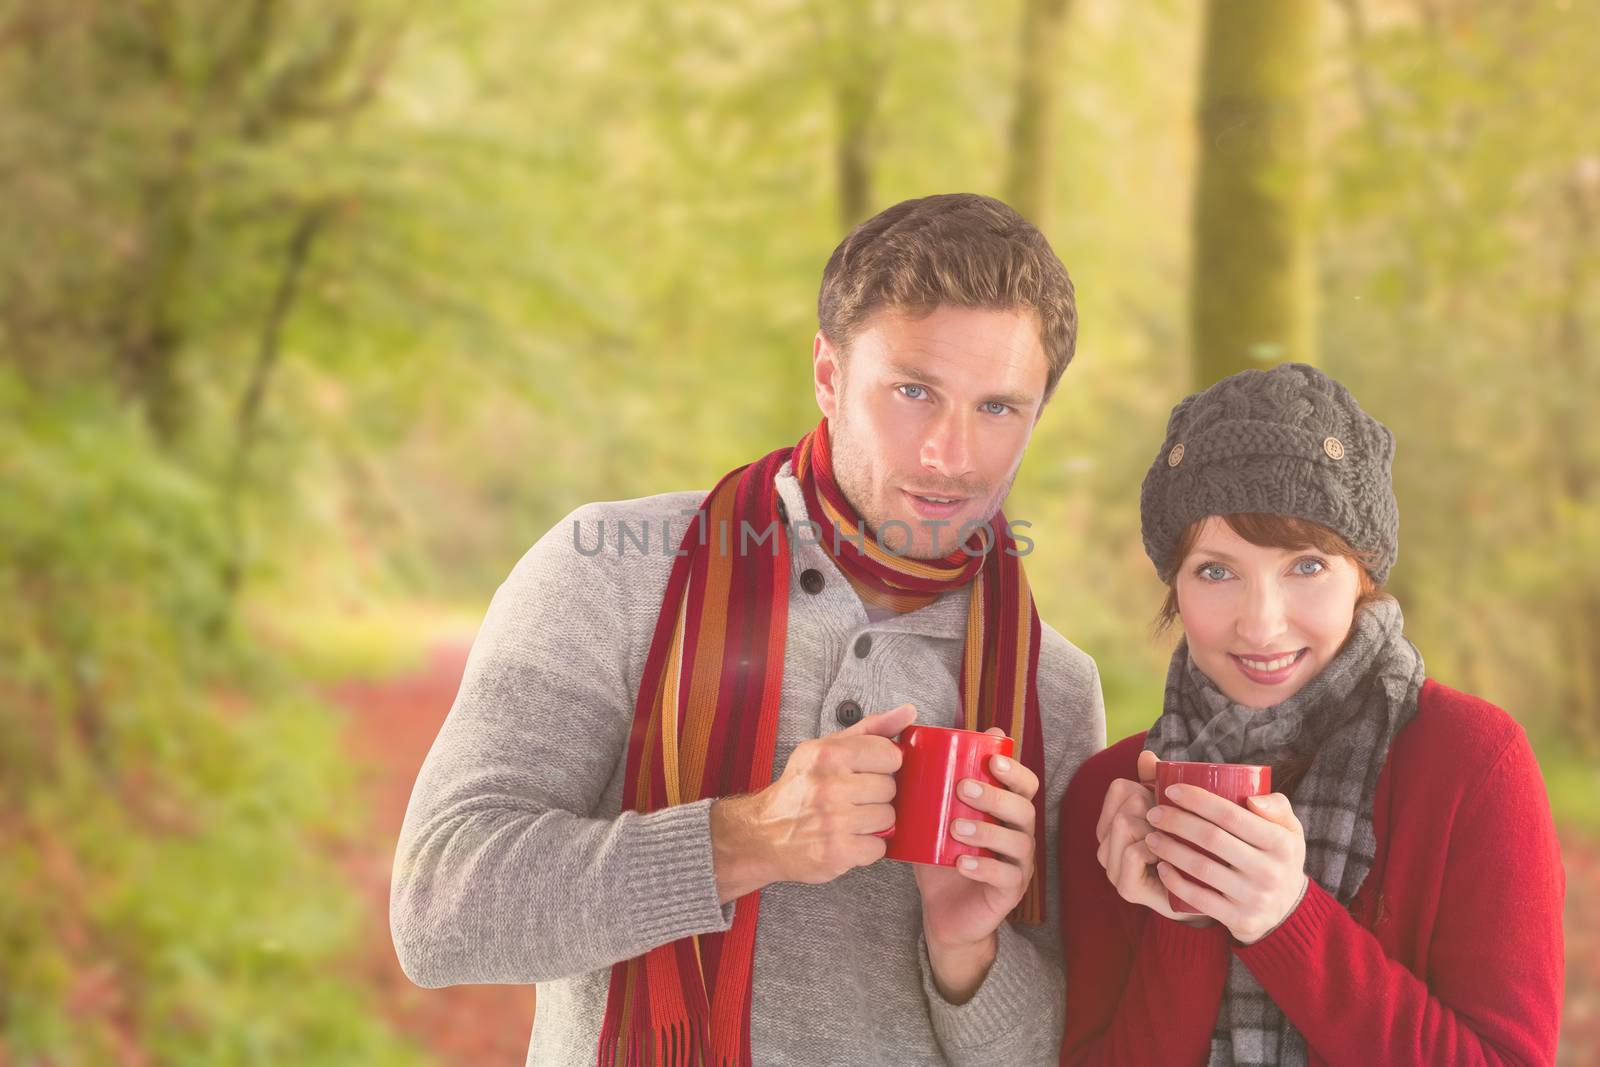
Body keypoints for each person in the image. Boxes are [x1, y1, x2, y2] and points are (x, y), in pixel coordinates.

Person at [390, 193, 1106, 1066]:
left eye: (998, 408)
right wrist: (744, 839)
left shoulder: (1053, 690)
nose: (950, 456)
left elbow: (1050, 1050)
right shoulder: (612, 569)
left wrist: (968, 953)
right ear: (829, 375)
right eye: (914, 391)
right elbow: (438, 913)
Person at [1057, 362, 1566, 1066]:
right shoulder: (1110, 800)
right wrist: (1183, 915)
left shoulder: (1470, 764)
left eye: (1305, 565)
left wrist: (1287, 920)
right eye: (1215, 570)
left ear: (1364, 570)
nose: (1261, 625)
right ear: (1173, 580)